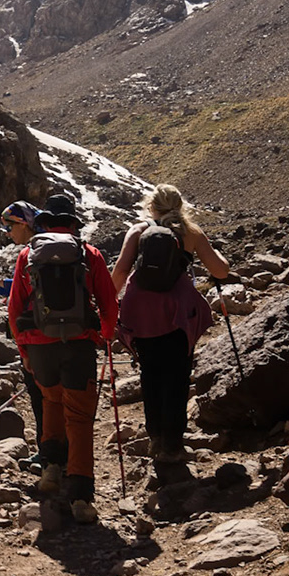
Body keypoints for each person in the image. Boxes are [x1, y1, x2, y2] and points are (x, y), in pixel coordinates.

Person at [6, 193, 118, 523]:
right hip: (79, 344)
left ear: (43, 224)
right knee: (80, 418)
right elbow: (109, 304)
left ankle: (51, 470)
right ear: (72, 223)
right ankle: (81, 498)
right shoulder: (90, 254)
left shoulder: (28, 255)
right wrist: (104, 338)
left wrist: (25, 350)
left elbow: (14, 310)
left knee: (51, 401)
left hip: (40, 346)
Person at [111, 184, 228, 465]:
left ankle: (156, 437)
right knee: (177, 375)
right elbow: (221, 270)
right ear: (181, 206)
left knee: (150, 373)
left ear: (151, 206)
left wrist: (108, 306)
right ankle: (173, 444)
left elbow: (119, 273)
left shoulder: (139, 231)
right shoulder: (192, 233)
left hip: (141, 313)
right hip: (178, 314)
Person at [0, 201, 45, 445]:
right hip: (60, 329)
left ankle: (49, 451)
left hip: (36, 334)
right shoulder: (48, 248)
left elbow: (24, 288)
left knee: (40, 394)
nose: (7, 232)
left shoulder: (31, 252)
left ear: (24, 223)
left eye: (10, 226)